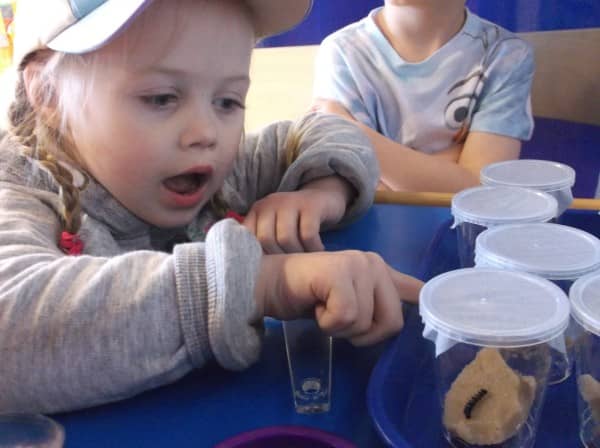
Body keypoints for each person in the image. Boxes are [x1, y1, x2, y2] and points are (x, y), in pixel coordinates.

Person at [0, 0, 424, 414]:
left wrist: (321, 190)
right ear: (48, 94)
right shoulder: (22, 192)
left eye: (227, 101)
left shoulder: (225, 173)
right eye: (161, 98)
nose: (206, 132)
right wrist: (264, 284)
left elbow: (327, 130)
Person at [312, 0, 535, 192]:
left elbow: (479, 187)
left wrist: (355, 133)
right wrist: (455, 167)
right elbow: (353, 183)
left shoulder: (506, 55)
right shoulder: (342, 51)